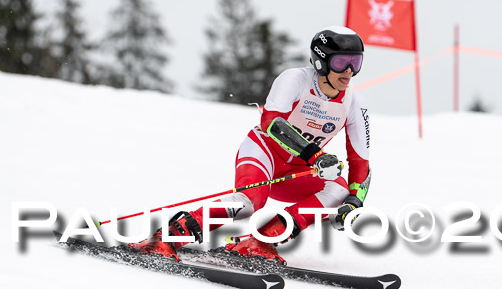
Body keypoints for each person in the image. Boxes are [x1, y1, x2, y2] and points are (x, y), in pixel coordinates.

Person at [129, 26, 371, 264]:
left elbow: (361, 162)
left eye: (355, 63)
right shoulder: (295, 79)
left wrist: (353, 203)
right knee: (247, 204)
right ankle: (165, 238)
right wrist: (315, 155)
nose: (349, 71)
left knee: (339, 190)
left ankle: (261, 241)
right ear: (321, 61)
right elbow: (272, 123)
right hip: (264, 152)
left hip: (297, 170)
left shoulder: (354, 103)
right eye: (341, 62)